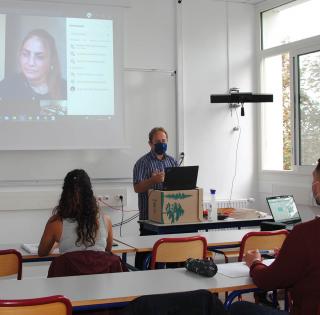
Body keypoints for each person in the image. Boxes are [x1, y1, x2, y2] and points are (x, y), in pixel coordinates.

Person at [230, 158, 320, 315]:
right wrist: (288, 257)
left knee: (238, 307)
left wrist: (255, 263)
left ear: (318, 188)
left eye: (313, 179)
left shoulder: (304, 234)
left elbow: (267, 281)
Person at [38, 169, 113, 257]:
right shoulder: (106, 220)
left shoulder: (56, 222)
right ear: (89, 192)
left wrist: (56, 244)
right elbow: (107, 251)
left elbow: (42, 253)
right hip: (100, 270)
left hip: (70, 271)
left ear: (65, 193)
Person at [0, 29, 67, 115]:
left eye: (39, 57)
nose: (30, 63)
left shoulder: (65, 89)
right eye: (25, 54)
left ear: (51, 60)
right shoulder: (7, 86)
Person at [133, 127, 178, 235]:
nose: (161, 144)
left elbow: (178, 186)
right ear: (150, 143)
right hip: (149, 220)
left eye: (163, 141)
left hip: (170, 217)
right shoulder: (142, 163)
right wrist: (153, 180)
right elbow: (137, 188)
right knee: (148, 251)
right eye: (157, 142)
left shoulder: (172, 161)